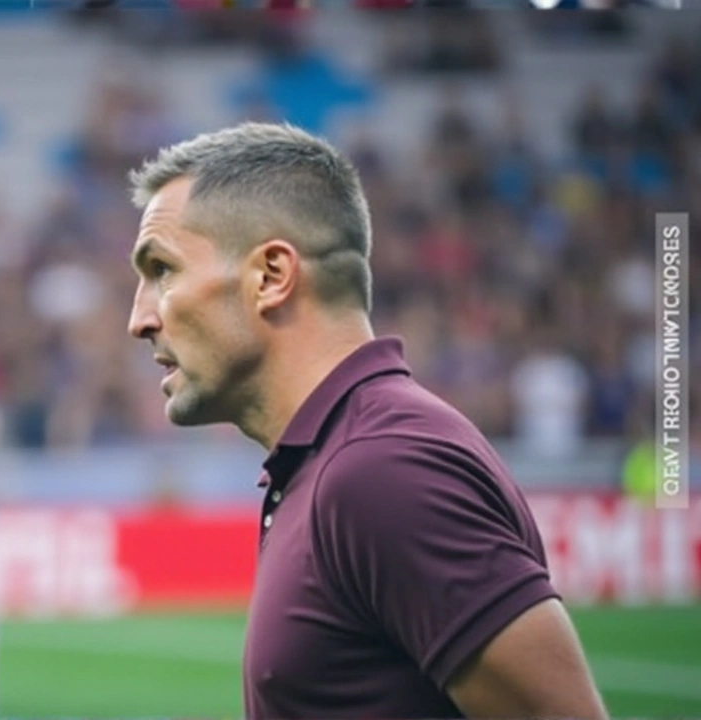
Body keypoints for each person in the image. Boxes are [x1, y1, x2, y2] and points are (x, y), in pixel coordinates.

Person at [124, 122, 608, 719]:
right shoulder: (335, 460)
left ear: (271, 276)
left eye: (162, 270)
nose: (140, 318)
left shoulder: (383, 468)